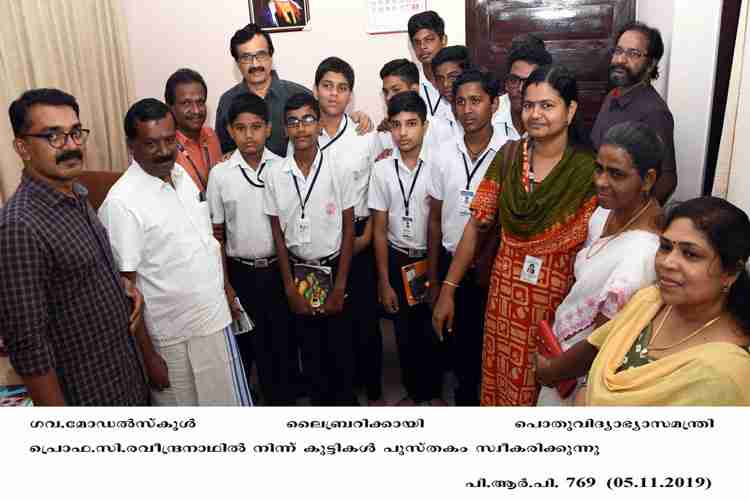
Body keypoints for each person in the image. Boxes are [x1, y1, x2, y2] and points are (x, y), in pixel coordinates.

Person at [433, 64, 598, 406]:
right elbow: (476, 224)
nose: (535, 114)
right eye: (528, 105)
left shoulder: (590, 172)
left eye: (547, 105)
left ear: (571, 110)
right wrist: (448, 288)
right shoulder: (508, 158)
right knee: (502, 383)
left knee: (552, 389)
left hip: (561, 305)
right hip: (505, 300)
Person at [0, 88, 148, 406]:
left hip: (125, 377)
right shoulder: (19, 226)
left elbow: (73, 272)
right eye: (53, 136)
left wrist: (119, 284)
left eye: (75, 133)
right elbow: (28, 345)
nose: (71, 146)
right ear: (22, 147)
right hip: (88, 396)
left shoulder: (77, 195)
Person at [99, 98, 251, 406]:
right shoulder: (122, 203)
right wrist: (148, 357)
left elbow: (205, 244)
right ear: (132, 145)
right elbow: (124, 291)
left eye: (169, 140)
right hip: (172, 339)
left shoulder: (181, 176)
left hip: (214, 322)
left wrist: (226, 291)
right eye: (151, 144)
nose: (164, 151)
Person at [542, 197, 750, 405]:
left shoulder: (728, 372)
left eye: (690, 254)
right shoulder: (650, 302)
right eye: (666, 247)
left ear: (730, 273)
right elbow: (597, 349)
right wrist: (584, 388)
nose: (668, 262)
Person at [535, 121, 664, 405]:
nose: (600, 181)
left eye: (616, 174)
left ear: (648, 179)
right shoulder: (604, 213)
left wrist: (554, 371)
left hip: (582, 376)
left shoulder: (643, 253)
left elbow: (604, 340)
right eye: (599, 169)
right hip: (561, 353)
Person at [263, 93, 357, 406]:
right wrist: (289, 285)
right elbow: (276, 230)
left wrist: (341, 285)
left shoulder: (338, 166)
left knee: (340, 352)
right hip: (298, 270)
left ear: (318, 123)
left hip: (333, 267)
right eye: (293, 121)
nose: (301, 128)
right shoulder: (275, 174)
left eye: (307, 119)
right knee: (309, 350)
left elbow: (348, 229)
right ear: (284, 128)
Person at [206, 92, 296, 405]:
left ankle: (282, 401)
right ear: (230, 131)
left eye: (256, 127)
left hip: (278, 270)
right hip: (241, 274)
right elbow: (216, 235)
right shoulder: (220, 174)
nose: (249, 135)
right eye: (241, 128)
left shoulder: (284, 168)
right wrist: (226, 286)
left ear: (268, 129)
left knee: (282, 345)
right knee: (247, 346)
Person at [427, 70, 507, 406]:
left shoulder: (510, 154)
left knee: (491, 344)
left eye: (476, 100)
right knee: (459, 345)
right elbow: (433, 219)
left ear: (494, 103)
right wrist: (433, 277)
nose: (468, 109)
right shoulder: (442, 153)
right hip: (450, 263)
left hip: (493, 264)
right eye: (460, 102)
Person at [313, 57, 385, 405]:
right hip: (320, 239)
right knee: (330, 315)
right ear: (316, 90)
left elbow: (375, 188)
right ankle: (339, 391)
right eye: (328, 85)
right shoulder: (303, 135)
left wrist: (369, 233)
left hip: (358, 234)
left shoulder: (363, 135)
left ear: (350, 96)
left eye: (342, 88)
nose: (334, 94)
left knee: (365, 317)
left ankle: (372, 388)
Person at [369, 91, 444, 406]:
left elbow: (440, 223)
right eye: (396, 125)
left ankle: (435, 393)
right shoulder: (382, 170)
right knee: (404, 333)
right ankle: (413, 393)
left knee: (435, 329)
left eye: (411, 124)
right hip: (399, 257)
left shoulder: (439, 164)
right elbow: (380, 229)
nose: (403, 133)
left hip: (433, 257)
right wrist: (384, 281)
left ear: (424, 126)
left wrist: (438, 276)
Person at [216, 24, 372, 156]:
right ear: (237, 62)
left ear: (271, 57)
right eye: (246, 57)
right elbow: (225, 151)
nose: (255, 64)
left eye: (261, 55)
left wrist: (354, 117)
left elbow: (328, 117)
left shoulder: (298, 94)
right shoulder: (227, 102)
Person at [591, 21, 677, 204]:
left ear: (651, 63)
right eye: (618, 51)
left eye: (633, 54)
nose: (621, 59)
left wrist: (637, 219)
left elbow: (667, 179)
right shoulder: (611, 97)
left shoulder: (654, 112)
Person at [165, 68, 222, 193]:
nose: (196, 110)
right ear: (170, 107)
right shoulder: (165, 148)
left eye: (200, 102)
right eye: (186, 103)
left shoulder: (211, 136)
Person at [499, 34, 553, 140]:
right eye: (514, 80)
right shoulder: (490, 114)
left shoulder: (554, 116)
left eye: (528, 81)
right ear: (506, 84)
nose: (520, 89)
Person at [408, 10, 451, 120]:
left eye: (429, 40)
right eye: (417, 42)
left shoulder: (459, 78)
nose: (422, 46)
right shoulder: (411, 83)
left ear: (444, 40)